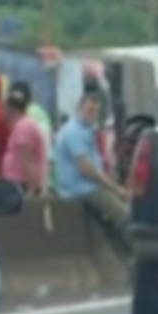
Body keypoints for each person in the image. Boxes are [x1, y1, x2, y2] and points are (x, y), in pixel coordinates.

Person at [55, 90, 132, 259]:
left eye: (96, 112)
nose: (93, 115)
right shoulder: (73, 133)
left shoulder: (85, 131)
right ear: (79, 108)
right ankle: (138, 257)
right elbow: (87, 169)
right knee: (124, 216)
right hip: (81, 189)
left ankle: (122, 259)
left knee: (114, 220)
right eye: (89, 110)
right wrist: (116, 189)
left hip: (89, 186)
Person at [0, 83, 47, 195]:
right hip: (16, 185)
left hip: (23, 186)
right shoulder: (19, 126)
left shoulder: (24, 127)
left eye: (3, 108)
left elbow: (28, 162)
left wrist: (31, 191)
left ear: (11, 109)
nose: (1, 112)